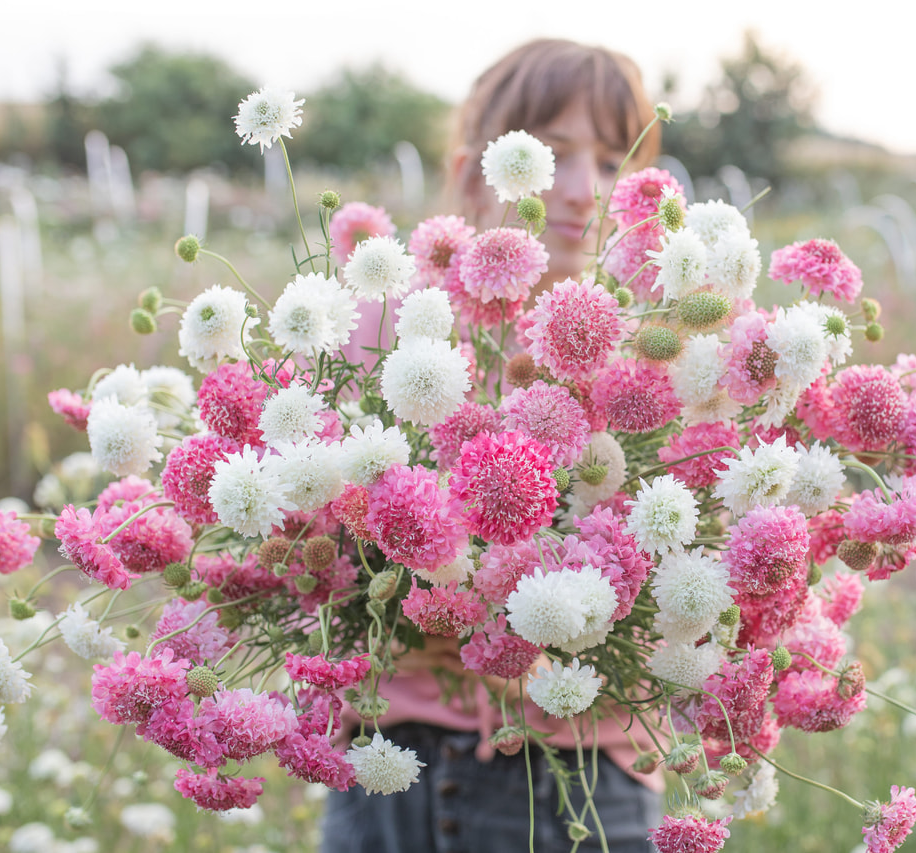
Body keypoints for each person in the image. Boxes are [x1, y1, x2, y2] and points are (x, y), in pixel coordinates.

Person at [320, 39, 666, 853]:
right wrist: (398, 588)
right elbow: (306, 538)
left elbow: (683, 579)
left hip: (580, 781)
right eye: (554, 155)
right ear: (476, 169)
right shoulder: (385, 318)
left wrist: (547, 621)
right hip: (390, 767)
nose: (584, 191)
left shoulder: (656, 353)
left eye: (614, 160)